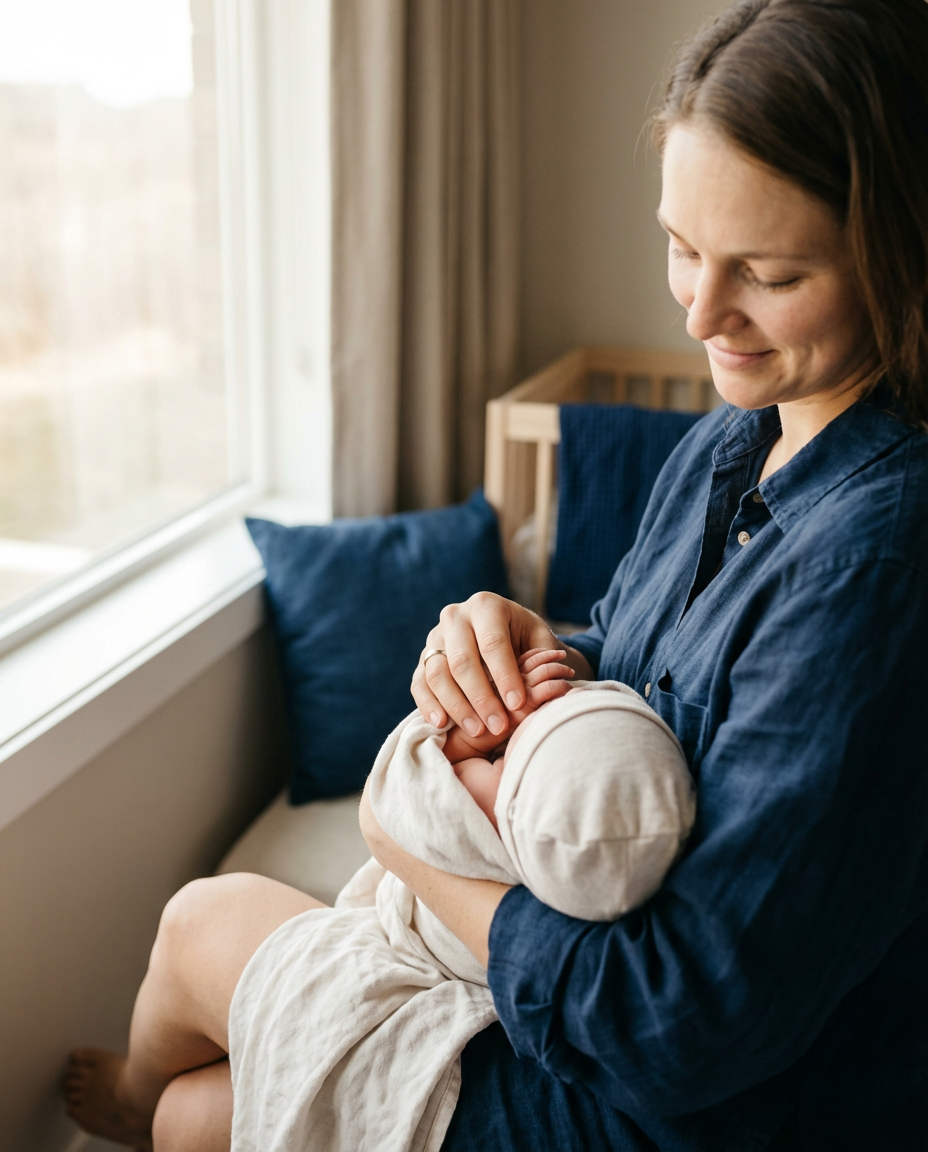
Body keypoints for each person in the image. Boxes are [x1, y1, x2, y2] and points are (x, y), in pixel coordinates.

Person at [64, 0, 927, 1148]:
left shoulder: (878, 560)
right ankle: (139, 1104)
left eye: (766, 274)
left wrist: (415, 856)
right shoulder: (740, 436)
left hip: (688, 1106)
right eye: (680, 246)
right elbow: (641, 657)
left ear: (898, 256)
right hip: (587, 989)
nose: (703, 313)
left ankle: (133, 1108)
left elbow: (678, 1026)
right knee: (193, 1070)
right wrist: (531, 647)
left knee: (194, 1028)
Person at [229, 653, 694, 1151]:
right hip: (538, 1013)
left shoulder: (527, 818)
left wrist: (414, 790)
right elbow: (609, 649)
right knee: (185, 1114)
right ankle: (131, 1106)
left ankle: (129, 1100)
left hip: (599, 1089)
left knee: (203, 915)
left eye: (501, 762)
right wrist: (547, 652)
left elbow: (402, 793)